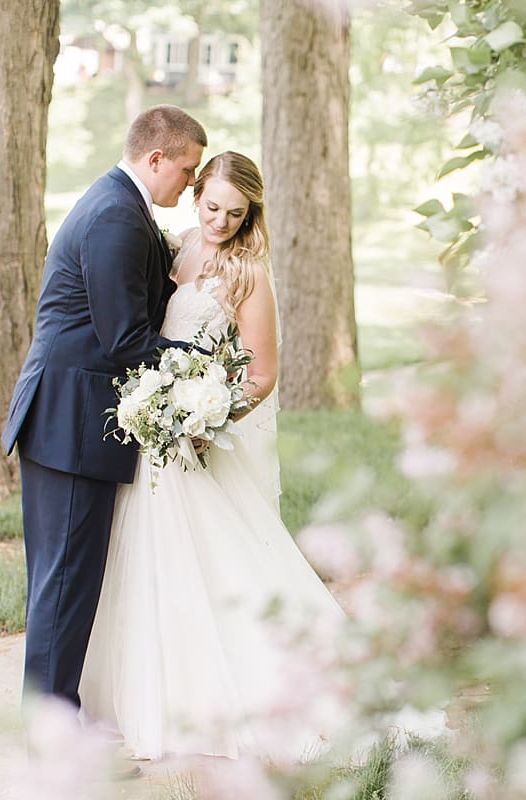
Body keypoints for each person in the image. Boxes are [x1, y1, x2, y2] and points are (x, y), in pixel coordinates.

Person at [78, 151, 346, 762]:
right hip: (153, 435)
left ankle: (248, 694)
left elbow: (262, 373)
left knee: (211, 559)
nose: (220, 221)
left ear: (251, 214)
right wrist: (161, 408)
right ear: (196, 194)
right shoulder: (173, 249)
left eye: (235, 213)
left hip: (196, 436)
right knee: (146, 559)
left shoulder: (249, 273)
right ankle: (146, 691)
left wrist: (206, 418)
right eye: (212, 206)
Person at [2, 105, 207, 710]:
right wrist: (205, 366)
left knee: (63, 578)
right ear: (156, 159)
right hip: (71, 421)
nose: (190, 183)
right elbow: (126, 339)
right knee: (65, 581)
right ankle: (48, 731)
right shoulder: (117, 214)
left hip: (69, 416)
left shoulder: (119, 205)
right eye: (188, 170)